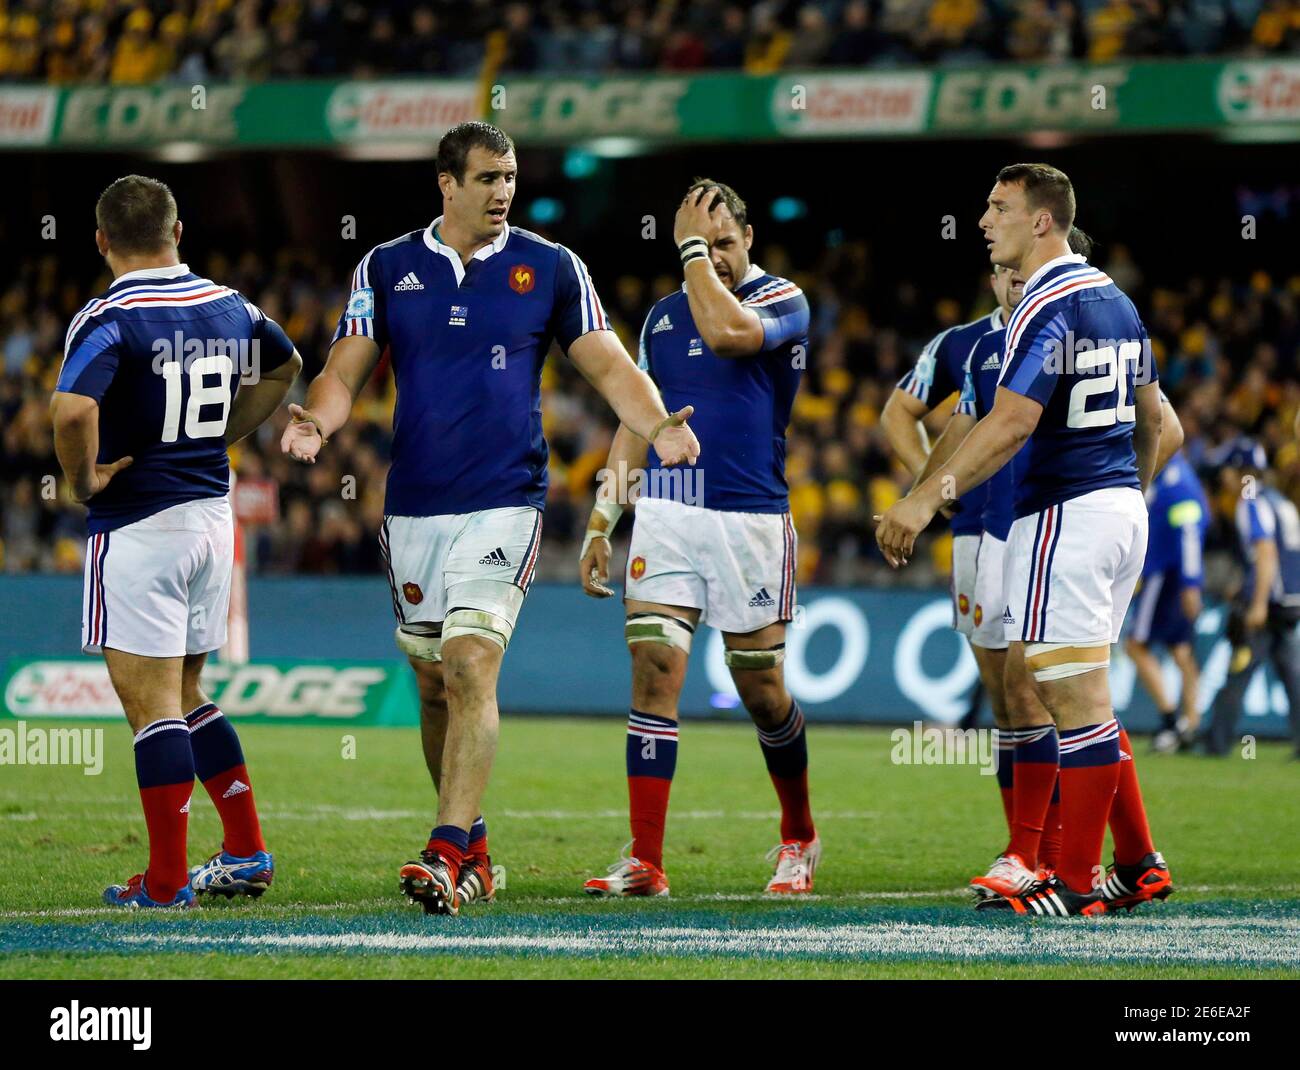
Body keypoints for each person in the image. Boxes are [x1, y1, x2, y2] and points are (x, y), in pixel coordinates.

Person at [282, 121, 699, 916]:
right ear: (447, 183)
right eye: (486, 178)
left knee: (471, 664)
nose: (503, 190)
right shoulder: (388, 267)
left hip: (507, 500)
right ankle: (473, 849)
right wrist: (318, 422)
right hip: (414, 508)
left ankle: (442, 850)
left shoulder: (550, 267)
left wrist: (658, 424)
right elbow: (347, 366)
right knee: (434, 684)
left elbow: (609, 360)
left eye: (509, 176)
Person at [875, 163, 1171, 916]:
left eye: (999, 207)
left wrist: (922, 502)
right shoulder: (1116, 299)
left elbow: (1008, 422)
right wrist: (1125, 496)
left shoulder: (1047, 305)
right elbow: (1159, 423)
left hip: (1066, 517)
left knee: (1068, 700)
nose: (983, 220)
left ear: (1043, 222)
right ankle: (1136, 862)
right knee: (1079, 695)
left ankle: (1072, 883)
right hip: (1116, 514)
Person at [51, 175, 299, 908]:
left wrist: (81, 480)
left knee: (152, 705)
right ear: (178, 230)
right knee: (188, 692)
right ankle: (246, 850)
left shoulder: (109, 314)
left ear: (102, 241)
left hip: (138, 523)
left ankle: (164, 885)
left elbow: (70, 411)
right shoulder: (228, 304)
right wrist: (224, 431)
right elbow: (284, 365)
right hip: (209, 519)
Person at [577, 179, 813, 896]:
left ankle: (799, 836)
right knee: (653, 668)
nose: (714, 259)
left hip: (750, 516)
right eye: (702, 247)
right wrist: (603, 519)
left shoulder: (781, 301)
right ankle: (646, 859)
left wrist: (691, 256)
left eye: (726, 245)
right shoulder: (660, 319)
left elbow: (729, 334)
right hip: (671, 508)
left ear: (751, 242)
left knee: (762, 690)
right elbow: (632, 421)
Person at [1203, 439, 1300, 758]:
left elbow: (1266, 553)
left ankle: (1216, 743)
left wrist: (1256, 602)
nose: (1224, 477)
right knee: (1291, 672)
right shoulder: (1278, 500)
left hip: (1269, 602)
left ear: (1239, 471)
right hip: (1290, 598)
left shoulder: (1251, 501)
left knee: (1239, 670)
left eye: (1228, 469)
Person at [1126, 443, 1208, 753]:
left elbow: (1189, 533)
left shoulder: (1177, 482)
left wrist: (1191, 582)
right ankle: (1192, 723)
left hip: (1165, 575)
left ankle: (1172, 721)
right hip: (1172, 575)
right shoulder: (1172, 477)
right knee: (1181, 650)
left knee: (1136, 645)